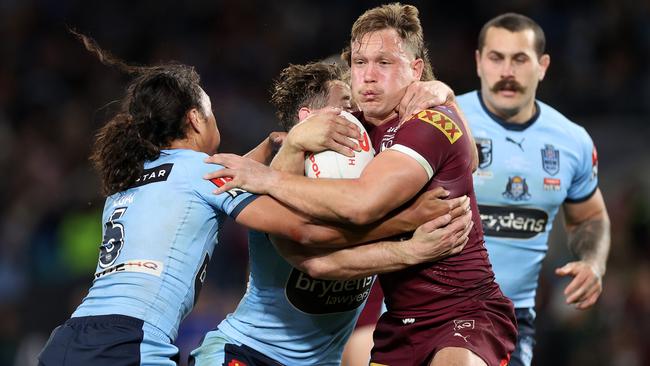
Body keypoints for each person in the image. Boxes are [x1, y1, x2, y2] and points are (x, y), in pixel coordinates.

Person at [37, 32, 472, 366]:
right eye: (209, 110)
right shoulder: (208, 170)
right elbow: (306, 238)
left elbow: (207, 187)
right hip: (138, 344)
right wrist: (408, 226)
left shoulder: (137, 178)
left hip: (71, 336)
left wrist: (440, 95)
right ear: (194, 119)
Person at [206, 3, 518, 365]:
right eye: (359, 63)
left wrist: (269, 178)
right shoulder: (352, 128)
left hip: (464, 311)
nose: (368, 76)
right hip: (400, 324)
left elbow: (361, 204)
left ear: (414, 69)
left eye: (384, 63)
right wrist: (289, 146)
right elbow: (311, 255)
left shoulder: (427, 122)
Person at [191, 62, 472, 365]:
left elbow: (467, 159)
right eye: (347, 107)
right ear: (308, 119)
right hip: (248, 352)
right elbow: (315, 251)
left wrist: (445, 96)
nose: (359, 119)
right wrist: (409, 237)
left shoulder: (378, 180)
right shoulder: (275, 177)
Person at [456, 13, 611, 366]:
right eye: (496, 58)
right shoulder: (443, 119)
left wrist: (593, 262)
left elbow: (589, 217)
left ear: (542, 66)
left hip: (509, 320)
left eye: (520, 59)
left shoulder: (571, 141)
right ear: (479, 62)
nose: (507, 71)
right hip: (423, 310)